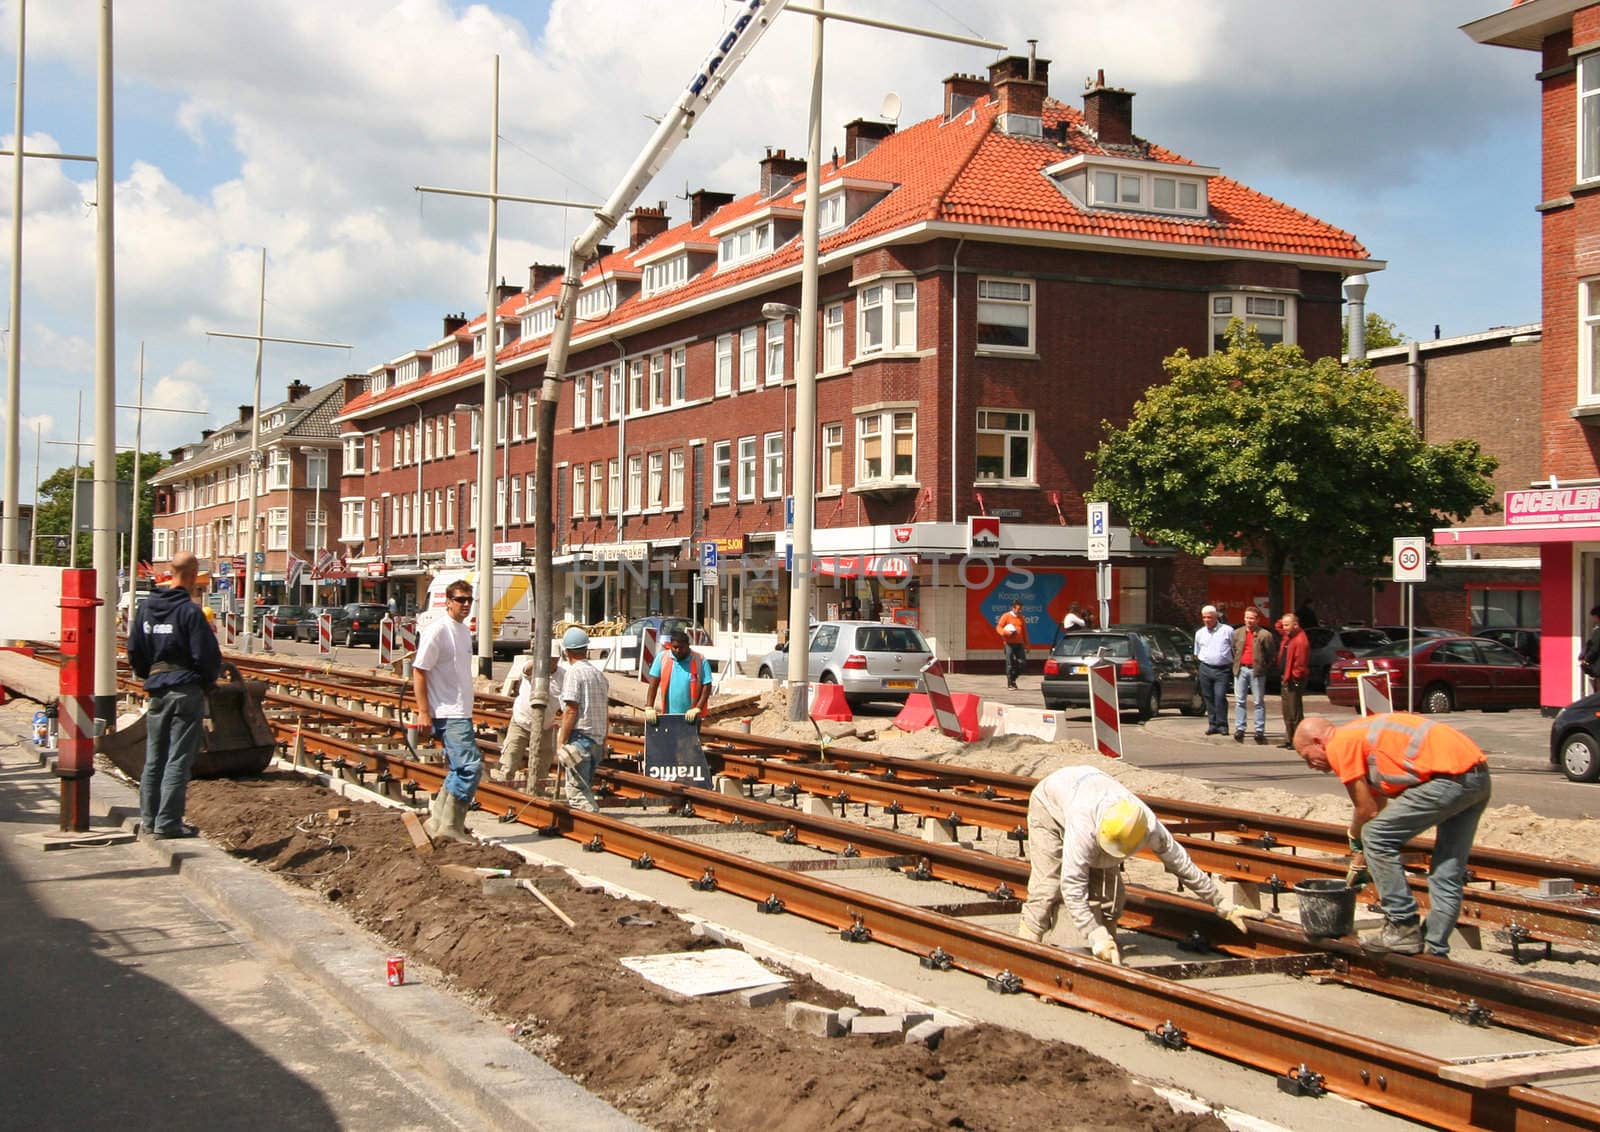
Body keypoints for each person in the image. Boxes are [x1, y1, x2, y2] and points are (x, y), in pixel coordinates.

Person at [1292, 713, 1491, 957]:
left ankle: (1402, 926)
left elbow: (1366, 811)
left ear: (1317, 741)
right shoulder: (1359, 735)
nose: (1311, 766)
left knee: (1376, 836)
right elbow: (1377, 804)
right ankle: (1433, 947)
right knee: (1447, 869)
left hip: (1447, 779)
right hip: (1476, 777)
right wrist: (1360, 858)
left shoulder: (1339, 744)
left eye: (1307, 757)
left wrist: (1355, 838)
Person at [1018, 765, 1264, 962]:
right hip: (1049, 803)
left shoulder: (1145, 823)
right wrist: (1095, 934)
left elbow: (1181, 864)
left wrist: (1222, 904)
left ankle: (1105, 955)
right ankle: (1025, 947)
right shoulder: (1082, 827)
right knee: (1048, 886)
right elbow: (1072, 884)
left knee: (1111, 897)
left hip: (1088, 790)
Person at [128, 551, 222, 839]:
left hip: (157, 689)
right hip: (185, 690)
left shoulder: (146, 608)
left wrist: (152, 675)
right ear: (193, 575)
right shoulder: (190, 612)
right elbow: (207, 657)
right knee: (178, 757)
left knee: (154, 756)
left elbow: (135, 651)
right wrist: (204, 683)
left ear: (170, 572)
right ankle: (168, 823)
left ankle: (149, 819)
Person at [413, 578, 481, 842]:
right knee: (470, 767)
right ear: (448, 601)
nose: (465, 605)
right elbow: (420, 670)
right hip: (447, 711)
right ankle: (451, 827)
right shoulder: (438, 630)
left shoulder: (463, 631)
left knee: (457, 767)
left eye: (469, 600)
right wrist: (423, 711)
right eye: (460, 600)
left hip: (460, 710)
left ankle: (438, 822)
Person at [555, 627, 611, 812]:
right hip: (596, 740)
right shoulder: (598, 674)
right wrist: (604, 741)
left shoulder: (573, 673)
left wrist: (561, 741)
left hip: (580, 739)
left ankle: (593, 822)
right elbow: (604, 710)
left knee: (577, 791)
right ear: (585, 649)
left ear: (566, 651)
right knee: (585, 786)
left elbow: (571, 709)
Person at [500, 649, 562, 796]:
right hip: (521, 721)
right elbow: (525, 669)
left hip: (545, 726)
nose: (550, 662)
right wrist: (540, 658)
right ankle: (503, 789)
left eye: (553, 659)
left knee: (543, 761)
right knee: (511, 757)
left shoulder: (563, 676)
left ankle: (537, 792)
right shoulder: (533, 669)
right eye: (548, 658)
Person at [645, 628, 713, 722]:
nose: (678, 650)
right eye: (675, 647)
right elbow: (653, 684)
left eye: (681, 647)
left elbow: (707, 686)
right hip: (669, 714)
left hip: (692, 716)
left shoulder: (700, 660)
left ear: (688, 646)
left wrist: (698, 708)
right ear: (670, 645)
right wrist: (649, 706)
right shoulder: (662, 658)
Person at [1230, 607, 1275, 744]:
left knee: (1258, 702)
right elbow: (1234, 650)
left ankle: (1259, 730)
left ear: (1257, 619)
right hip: (1241, 670)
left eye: (1252, 618)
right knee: (1240, 701)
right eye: (1247, 617)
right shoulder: (1237, 633)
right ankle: (1240, 728)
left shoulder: (1264, 635)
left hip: (1257, 671)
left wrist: (1263, 667)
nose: (1249, 620)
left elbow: (1270, 654)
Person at [1193, 605, 1234, 736]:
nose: (1207, 620)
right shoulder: (1200, 633)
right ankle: (1213, 724)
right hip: (1205, 667)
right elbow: (1197, 652)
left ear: (1216, 617)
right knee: (1208, 697)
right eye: (1204, 617)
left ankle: (1222, 725)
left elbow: (1235, 649)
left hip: (1222, 669)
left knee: (1220, 696)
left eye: (1209, 617)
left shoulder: (1227, 631)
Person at [1278, 613, 1310, 748]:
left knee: (1294, 711)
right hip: (1286, 677)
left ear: (1295, 625)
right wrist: (1285, 621)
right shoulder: (1289, 636)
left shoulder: (1300, 640)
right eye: (1284, 625)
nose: (1284, 628)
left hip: (1293, 679)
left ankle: (1297, 740)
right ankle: (1289, 738)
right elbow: (1278, 626)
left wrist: (1295, 677)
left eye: (1287, 625)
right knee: (1286, 710)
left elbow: (1300, 663)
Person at [997, 598, 1029, 689]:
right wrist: (1005, 633)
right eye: (1018, 609)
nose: (1020, 611)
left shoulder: (1021, 618)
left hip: (1019, 643)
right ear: (1013, 608)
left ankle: (1013, 677)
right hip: (1009, 643)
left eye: (1021, 609)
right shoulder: (1006, 616)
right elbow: (998, 627)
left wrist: (1027, 644)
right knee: (1010, 663)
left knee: (1022, 663)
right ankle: (1010, 683)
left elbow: (1024, 631)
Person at [1582, 605, 1600, 690]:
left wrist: (1586, 659)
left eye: (1594, 617)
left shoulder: (1598, 631)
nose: (1594, 620)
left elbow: (1594, 648)